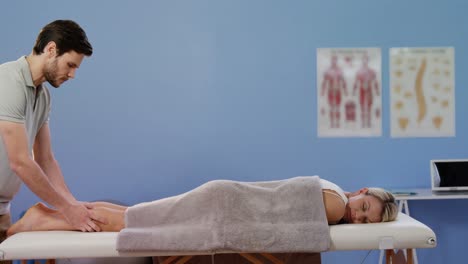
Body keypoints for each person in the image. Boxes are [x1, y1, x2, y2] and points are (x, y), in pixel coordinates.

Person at [0, 19, 106, 248]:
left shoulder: (43, 96)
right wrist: (67, 210)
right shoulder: (8, 82)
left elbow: (45, 160)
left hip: (2, 208)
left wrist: (73, 204)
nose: (72, 75)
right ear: (51, 50)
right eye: (70, 65)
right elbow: (20, 161)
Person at [6, 178, 398, 236]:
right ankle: (42, 220)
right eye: (364, 206)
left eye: (366, 219)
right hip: (223, 207)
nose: (357, 216)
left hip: (223, 198)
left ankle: (52, 213)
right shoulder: (332, 207)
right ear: (360, 191)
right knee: (139, 223)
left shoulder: (329, 187)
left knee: (138, 215)